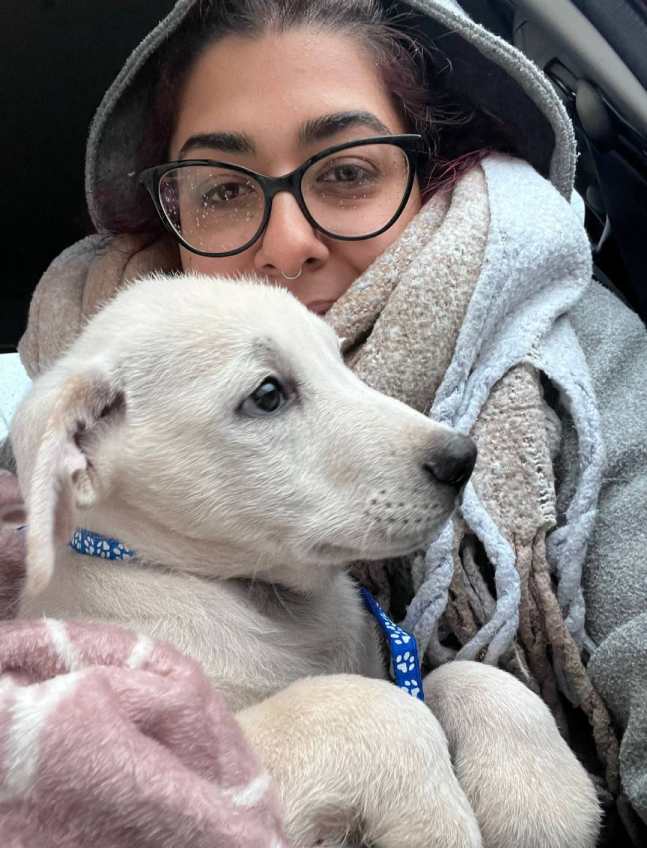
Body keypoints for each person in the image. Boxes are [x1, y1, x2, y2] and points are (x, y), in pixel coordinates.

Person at [6, 0, 647, 841]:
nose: (286, 243)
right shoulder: (93, 419)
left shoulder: (577, 359)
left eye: (345, 171)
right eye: (224, 188)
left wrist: (473, 698)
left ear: (426, 170)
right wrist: (366, 729)